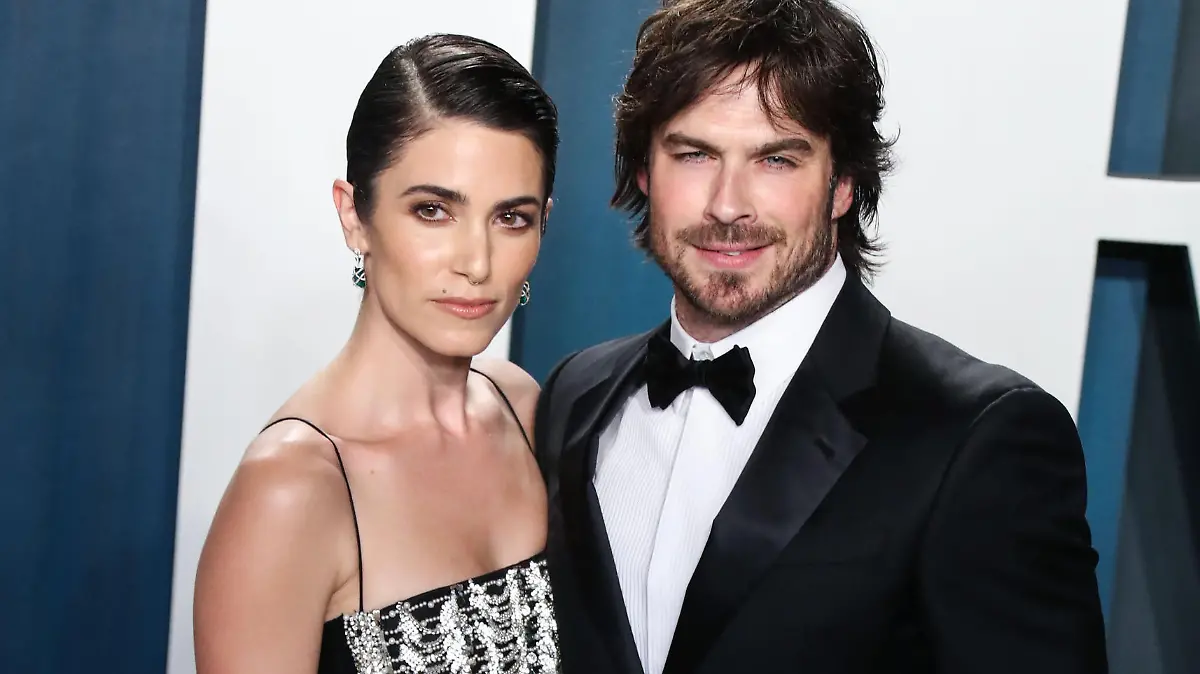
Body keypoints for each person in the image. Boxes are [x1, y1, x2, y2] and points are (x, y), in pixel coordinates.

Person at [534, 1, 1108, 672]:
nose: (727, 204)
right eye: (694, 154)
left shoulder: (976, 436)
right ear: (643, 172)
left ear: (842, 184)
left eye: (776, 160)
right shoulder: (576, 395)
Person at [193, 34, 562, 673]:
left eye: (511, 219)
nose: (475, 264)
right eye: (433, 211)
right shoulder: (291, 490)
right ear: (354, 216)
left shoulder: (526, 408)